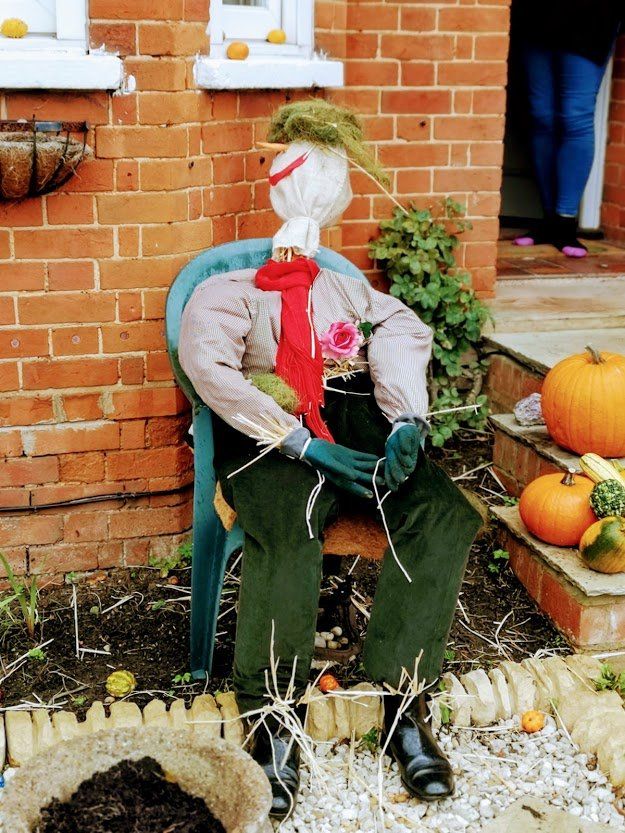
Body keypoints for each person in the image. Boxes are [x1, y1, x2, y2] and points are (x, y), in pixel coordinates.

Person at [179, 101, 481, 820]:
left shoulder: (349, 291)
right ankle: (274, 720)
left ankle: (402, 706)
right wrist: (301, 441)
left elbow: (400, 330)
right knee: (289, 523)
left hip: (356, 412)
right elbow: (208, 369)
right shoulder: (227, 292)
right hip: (265, 429)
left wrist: (406, 418)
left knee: (441, 513)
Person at [512, 0, 624, 257]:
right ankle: (549, 219)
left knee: (575, 115)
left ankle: (564, 222)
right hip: (537, 13)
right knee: (541, 115)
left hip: (592, 15)